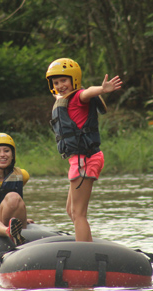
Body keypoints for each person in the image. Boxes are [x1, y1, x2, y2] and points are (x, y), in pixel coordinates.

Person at [45, 58, 122, 242]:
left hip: (85, 159)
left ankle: (84, 253)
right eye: (56, 82)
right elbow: (59, 96)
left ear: (74, 79)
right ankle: (88, 244)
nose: (60, 85)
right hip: (79, 160)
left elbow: (88, 93)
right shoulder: (64, 99)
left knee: (78, 213)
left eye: (64, 80)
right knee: (71, 210)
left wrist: (103, 89)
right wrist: (59, 92)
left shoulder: (79, 96)